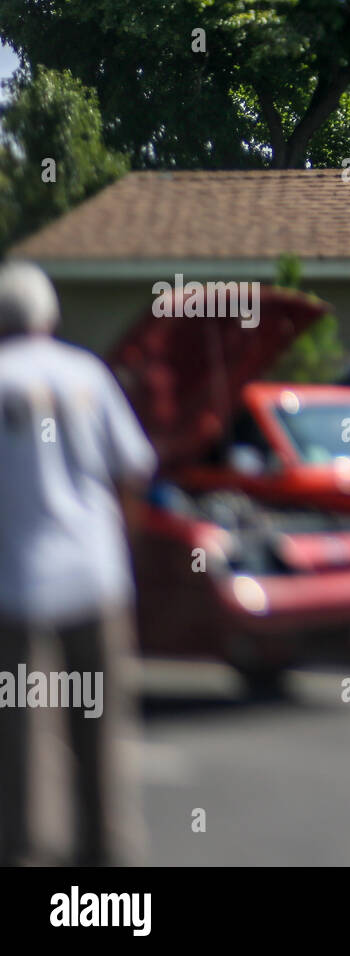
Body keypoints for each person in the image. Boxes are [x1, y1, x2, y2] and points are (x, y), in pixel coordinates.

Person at [0, 261, 157, 865]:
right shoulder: (86, 372)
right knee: (100, 739)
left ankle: (24, 850)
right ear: (49, 317)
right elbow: (132, 472)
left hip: (16, 591)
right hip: (96, 581)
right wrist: (122, 554)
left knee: (21, 745)